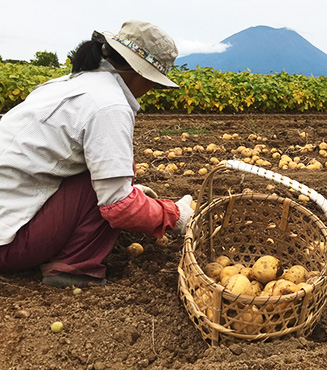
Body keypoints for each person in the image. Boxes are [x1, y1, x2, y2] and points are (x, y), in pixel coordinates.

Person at [0, 20, 194, 288]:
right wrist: (175, 215)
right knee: (109, 193)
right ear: (143, 75)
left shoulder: (65, 84)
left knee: (109, 180)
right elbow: (119, 206)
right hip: (7, 247)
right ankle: (75, 267)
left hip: (7, 216)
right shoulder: (110, 104)